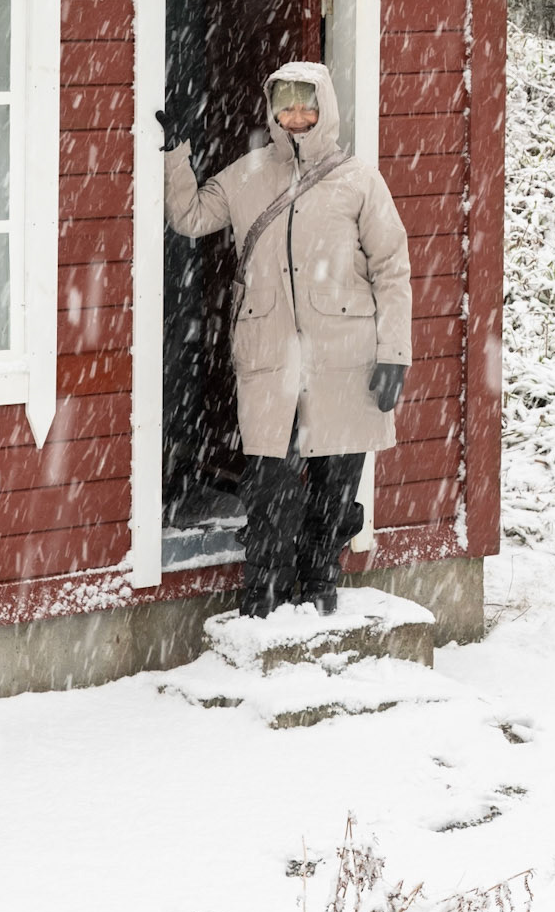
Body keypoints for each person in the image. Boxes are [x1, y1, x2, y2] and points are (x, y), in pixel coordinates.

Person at [159, 61, 411, 617]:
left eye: (306, 106)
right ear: (272, 111)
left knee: (334, 480)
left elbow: (392, 268)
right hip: (271, 354)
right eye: (285, 107)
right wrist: (175, 152)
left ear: (325, 109)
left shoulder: (359, 181)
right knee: (270, 481)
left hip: (345, 358)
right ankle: (265, 596)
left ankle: (320, 585)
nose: (296, 118)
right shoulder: (249, 174)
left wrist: (394, 354)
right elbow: (190, 215)